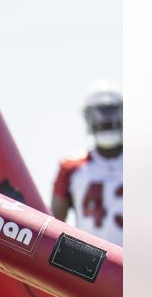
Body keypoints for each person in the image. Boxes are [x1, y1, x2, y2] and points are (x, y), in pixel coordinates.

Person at [51, 81, 123, 246]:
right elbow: (54, 224)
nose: (106, 120)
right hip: (90, 263)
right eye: (100, 114)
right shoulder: (71, 167)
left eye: (111, 112)